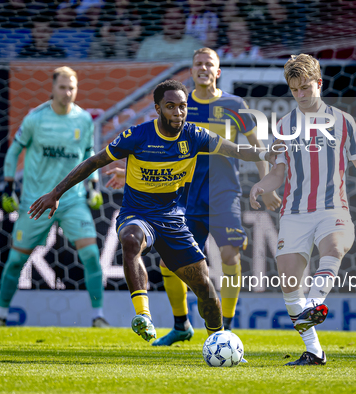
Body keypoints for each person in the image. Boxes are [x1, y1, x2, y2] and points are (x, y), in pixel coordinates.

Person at [28, 80, 275, 342]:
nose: (178, 113)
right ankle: (143, 315)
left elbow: (236, 150)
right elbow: (93, 162)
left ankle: (219, 341)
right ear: (157, 108)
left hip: (173, 220)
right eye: (170, 107)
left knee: (206, 290)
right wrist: (56, 193)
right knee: (130, 240)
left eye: (182, 107)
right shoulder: (137, 135)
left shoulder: (195, 135)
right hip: (138, 214)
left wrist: (266, 154)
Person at [107, 48, 281, 345]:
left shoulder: (234, 104)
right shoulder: (179, 106)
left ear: (218, 71)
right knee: (168, 264)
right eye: (198, 63)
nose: (203, 68)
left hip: (224, 191)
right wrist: (130, 173)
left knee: (230, 254)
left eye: (209, 64)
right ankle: (181, 325)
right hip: (185, 195)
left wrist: (267, 186)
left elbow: (254, 146)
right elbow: (157, 153)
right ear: (191, 71)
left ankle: (224, 327)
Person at [250, 54, 356, 366]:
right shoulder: (285, 125)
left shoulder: (343, 121)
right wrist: (261, 185)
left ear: (319, 84)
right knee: (288, 283)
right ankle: (314, 351)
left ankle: (315, 303)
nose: (301, 94)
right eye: (295, 90)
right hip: (294, 212)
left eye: (306, 87)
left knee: (334, 247)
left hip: (332, 207)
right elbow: (278, 172)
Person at [0, 66, 108, 328]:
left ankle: (98, 317)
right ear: (52, 89)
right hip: (36, 200)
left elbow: (89, 153)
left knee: (90, 255)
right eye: (63, 87)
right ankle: (0, 315)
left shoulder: (84, 119)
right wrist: (9, 187)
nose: (67, 92)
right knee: (17, 259)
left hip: (73, 199)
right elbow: (14, 151)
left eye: (72, 88)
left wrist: (94, 186)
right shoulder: (35, 118)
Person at [135, 4, 202, 61]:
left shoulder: (194, 45)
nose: (174, 23)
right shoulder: (149, 44)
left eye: (178, 19)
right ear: (162, 22)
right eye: (170, 19)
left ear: (184, 23)